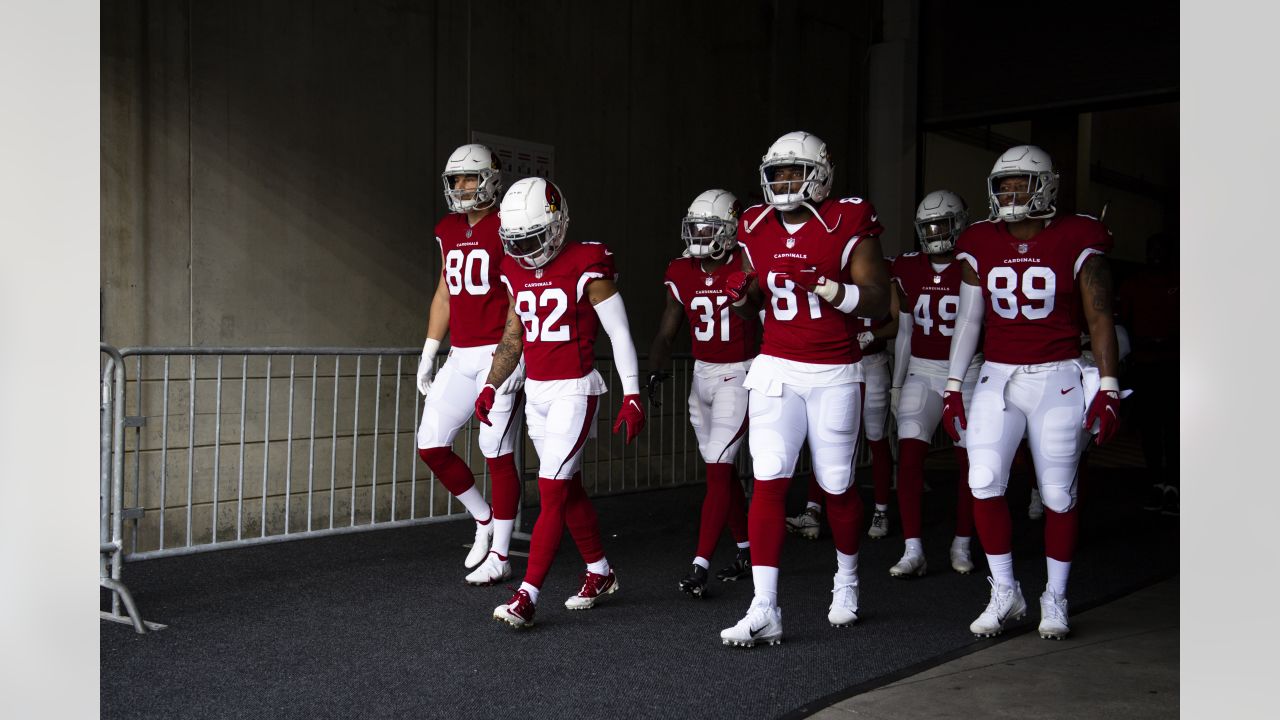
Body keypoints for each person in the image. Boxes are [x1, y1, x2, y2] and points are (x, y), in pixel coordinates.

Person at [942, 145, 1123, 641]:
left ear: (1046, 186)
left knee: (1059, 493)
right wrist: (953, 386)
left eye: (1020, 183)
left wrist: (1108, 386)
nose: (1010, 193)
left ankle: (1056, 597)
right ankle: (1005, 591)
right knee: (983, 482)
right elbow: (970, 318)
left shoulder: (1078, 236)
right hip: (998, 376)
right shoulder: (979, 239)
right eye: (1003, 184)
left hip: (1057, 373)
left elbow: (1099, 315)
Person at [717, 131, 890, 646]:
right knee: (769, 481)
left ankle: (847, 580)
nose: (784, 181)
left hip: (834, 368)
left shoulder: (848, 219)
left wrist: (833, 288)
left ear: (819, 173)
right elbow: (753, 301)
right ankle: (764, 606)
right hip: (776, 365)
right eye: (777, 172)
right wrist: (741, 296)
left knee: (837, 485)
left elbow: (879, 302)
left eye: (795, 171)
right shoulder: (753, 225)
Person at [477, 177, 646, 629]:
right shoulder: (514, 271)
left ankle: (527, 595)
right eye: (517, 241)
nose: (526, 250)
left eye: (533, 238)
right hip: (538, 390)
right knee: (566, 488)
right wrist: (493, 384)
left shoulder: (586, 263)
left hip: (575, 388)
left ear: (555, 225)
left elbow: (619, 332)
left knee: (551, 487)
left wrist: (632, 394)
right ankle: (600, 571)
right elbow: (514, 334)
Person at [414, 144, 524, 585]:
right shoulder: (447, 228)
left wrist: (512, 355)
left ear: (491, 179)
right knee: (431, 444)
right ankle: (483, 519)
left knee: (496, 451)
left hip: (499, 352)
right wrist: (428, 350)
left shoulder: (509, 225)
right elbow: (444, 292)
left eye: (470, 178)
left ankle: (502, 552)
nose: (460, 187)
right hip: (461, 354)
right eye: (455, 180)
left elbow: (520, 294)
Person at [647, 189, 758, 598]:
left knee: (717, 470)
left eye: (709, 227)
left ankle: (700, 562)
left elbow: (758, 314)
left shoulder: (746, 261)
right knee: (722, 472)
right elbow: (666, 329)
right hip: (702, 375)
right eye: (695, 227)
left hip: (738, 373)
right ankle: (746, 550)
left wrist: (742, 296)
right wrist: (656, 370)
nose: (700, 234)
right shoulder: (681, 270)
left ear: (729, 231)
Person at [886, 190, 982, 577]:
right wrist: (896, 383)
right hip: (921, 372)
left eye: (942, 223)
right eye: (929, 226)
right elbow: (906, 331)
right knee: (909, 460)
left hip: (968, 372)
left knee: (969, 464)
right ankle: (913, 549)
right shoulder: (908, 267)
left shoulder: (975, 264)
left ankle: (962, 542)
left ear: (959, 222)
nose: (936, 232)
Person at [784, 271, 897, 541]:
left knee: (876, 438)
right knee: (825, 438)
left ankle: (881, 510)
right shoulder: (832, 265)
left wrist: (873, 335)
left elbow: (899, 321)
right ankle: (813, 511)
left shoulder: (887, 270)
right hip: (839, 362)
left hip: (871, 363)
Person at [1117, 232, 1179, 516]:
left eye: (1161, 248)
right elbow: (1123, 324)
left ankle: (1175, 486)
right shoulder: (1134, 284)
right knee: (1151, 429)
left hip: (1175, 366)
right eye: (1151, 248)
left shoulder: (1180, 281)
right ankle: (1156, 483)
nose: (1155, 253)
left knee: (1175, 428)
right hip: (1144, 365)